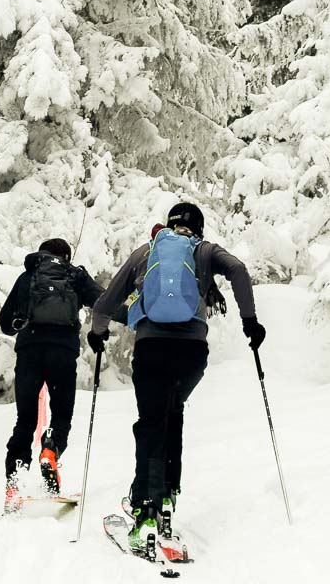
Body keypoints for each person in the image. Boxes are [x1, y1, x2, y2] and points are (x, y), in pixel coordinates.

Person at [88, 201, 263, 560]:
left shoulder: (147, 252)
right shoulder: (204, 251)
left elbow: (105, 302)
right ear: (198, 227)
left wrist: (98, 333)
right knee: (173, 416)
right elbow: (239, 270)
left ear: (168, 225)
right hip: (192, 354)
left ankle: (146, 514)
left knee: (151, 423)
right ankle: (166, 497)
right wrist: (250, 321)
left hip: (152, 348)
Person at [0, 238, 103, 513]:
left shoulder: (29, 276)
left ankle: (15, 483)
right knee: (61, 415)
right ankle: (51, 450)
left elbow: (5, 323)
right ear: (66, 256)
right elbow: (104, 303)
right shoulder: (74, 276)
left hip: (30, 352)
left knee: (25, 420)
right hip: (63, 353)